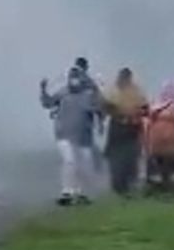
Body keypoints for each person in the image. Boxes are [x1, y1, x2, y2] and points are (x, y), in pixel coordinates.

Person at [40, 66, 101, 205]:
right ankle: (67, 191)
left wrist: (96, 89)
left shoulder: (88, 95)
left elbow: (99, 107)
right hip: (64, 134)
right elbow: (47, 103)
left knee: (84, 164)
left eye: (77, 77)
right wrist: (43, 90)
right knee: (70, 161)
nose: (74, 81)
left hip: (83, 137)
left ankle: (80, 193)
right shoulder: (63, 93)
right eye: (72, 77)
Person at [103, 68, 148, 197]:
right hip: (118, 127)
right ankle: (119, 184)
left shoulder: (136, 90)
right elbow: (106, 106)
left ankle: (129, 183)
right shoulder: (113, 90)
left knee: (131, 156)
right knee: (116, 157)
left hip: (131, 127)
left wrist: (137, 116)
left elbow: (144, 107)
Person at [144, 82, 174, 190]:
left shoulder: (154, 106)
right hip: (171, 140)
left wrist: (147, 140)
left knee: (158, 162)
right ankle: (171, 185)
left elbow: (148, 123)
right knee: (171, 162)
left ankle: (158, 186)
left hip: (156, 140)